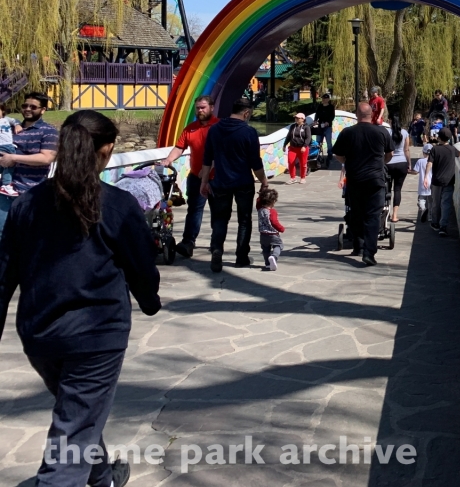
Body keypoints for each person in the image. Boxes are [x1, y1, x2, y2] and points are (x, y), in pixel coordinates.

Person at [0, 110, 161, 487]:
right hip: (97, 335)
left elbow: (3, 275)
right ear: (105, 151)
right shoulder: (119, 205)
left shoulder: (26, 205)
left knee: (78, 412)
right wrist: (149, 298)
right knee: (75, 422)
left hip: (39, 335)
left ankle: (102, 474)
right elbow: (142, 266)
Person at [200, 97, 269, 272]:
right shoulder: (249, 132)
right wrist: (264, 181)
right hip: (243, 183)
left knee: (220, 219)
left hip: (221, 183)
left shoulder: (214, 130)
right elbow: (255, 162)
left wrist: (204, 182)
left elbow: (207, 158)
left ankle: (217, 249)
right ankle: (241, 256)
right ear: (246, 113)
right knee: (244, 220)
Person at [333, 102, 393, 266]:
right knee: (373, 216)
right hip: (376, 180)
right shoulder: (381, 132)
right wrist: (381, 162)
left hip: (355, 180)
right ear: (372, 114)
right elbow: (389, 154)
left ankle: (358, 246)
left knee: (356, 213)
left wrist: (346, 161)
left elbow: (338, 154)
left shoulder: (348, 133)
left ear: (356, 115)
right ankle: (369, 253)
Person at [161, 95, 219, 258]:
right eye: (198, 108)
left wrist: (208, 169)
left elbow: (223, 152)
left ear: (211, 108)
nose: (200, 110)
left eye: (203, 107)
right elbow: (179, 147)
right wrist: (169, 159)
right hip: (195, 177)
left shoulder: (219, 127)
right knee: (194, 211)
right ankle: (188, 243)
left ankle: (216, 245)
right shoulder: (190, 128)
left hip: (217, 179)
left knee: (217, 213)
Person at [0, 92, 58, 231]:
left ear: (43, 110)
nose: (28, 109)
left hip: (32, 192)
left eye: (33, 107)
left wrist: (13, 158)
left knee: (29, 235)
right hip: (5, 192)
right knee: (3, 233)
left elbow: (46, 158)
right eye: (25, 105)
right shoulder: (10, 129)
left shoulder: (49, 131)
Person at [426, 128, 460, 237]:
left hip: (437, 181)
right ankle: (443, 226)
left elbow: (429, 163)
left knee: (436, 203)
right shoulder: (452, 149)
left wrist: (425, 177)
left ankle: (435, 223)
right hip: (449, 181)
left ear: (439, 137)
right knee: (446, 204)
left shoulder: (435, 150)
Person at [385, 115, 412, 224]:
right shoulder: (405, 133)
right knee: (397, 189)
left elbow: (385, 149)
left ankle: (385, 213)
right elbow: (406, 150)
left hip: (388, 164)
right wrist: (409, 164)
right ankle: (394, 215)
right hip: (401, 163)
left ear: (390, 121)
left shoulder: (387, 132)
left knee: (386, 189)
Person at [257, 187, 285, 271]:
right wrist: (281, 228)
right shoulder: (272, 211)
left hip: (263, 235)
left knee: (265, 249)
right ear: (273, 201)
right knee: (278, 246)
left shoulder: (260, 209)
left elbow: (258, 202)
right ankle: (274, 256)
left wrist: (260, 195)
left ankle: (268, 264)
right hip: (273, 234)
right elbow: (274, 222)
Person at [0, 102, 22, 197]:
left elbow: (16, 121)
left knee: (5, 165)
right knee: (10, 163)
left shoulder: (6, 119)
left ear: (2, 110)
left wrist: (17, 125)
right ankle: (6, 184)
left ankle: (5, 183)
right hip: (4, 146)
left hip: (8, 145)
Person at [286, 112, 312, 184]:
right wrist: (284, 145)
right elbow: (289, 136)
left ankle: (303, 177)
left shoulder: (306, 127)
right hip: (293, 148)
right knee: (291, 162)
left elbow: (308, 138)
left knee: (303, 163)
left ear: (303, 119)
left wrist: (304, 146)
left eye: (298, 118)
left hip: (302, 149)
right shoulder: (292, 126)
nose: (296, 119)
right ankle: (293, 178)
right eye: (295, 118)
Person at [411, 143, 433, 222]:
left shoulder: (420, 161)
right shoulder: (434, 161)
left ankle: (423, 209)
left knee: (421, 200)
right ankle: (430, 216)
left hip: (422, 183)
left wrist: (408, 171)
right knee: (431, 201)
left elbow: (415, 172)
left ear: (423, 153)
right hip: (431, 184)